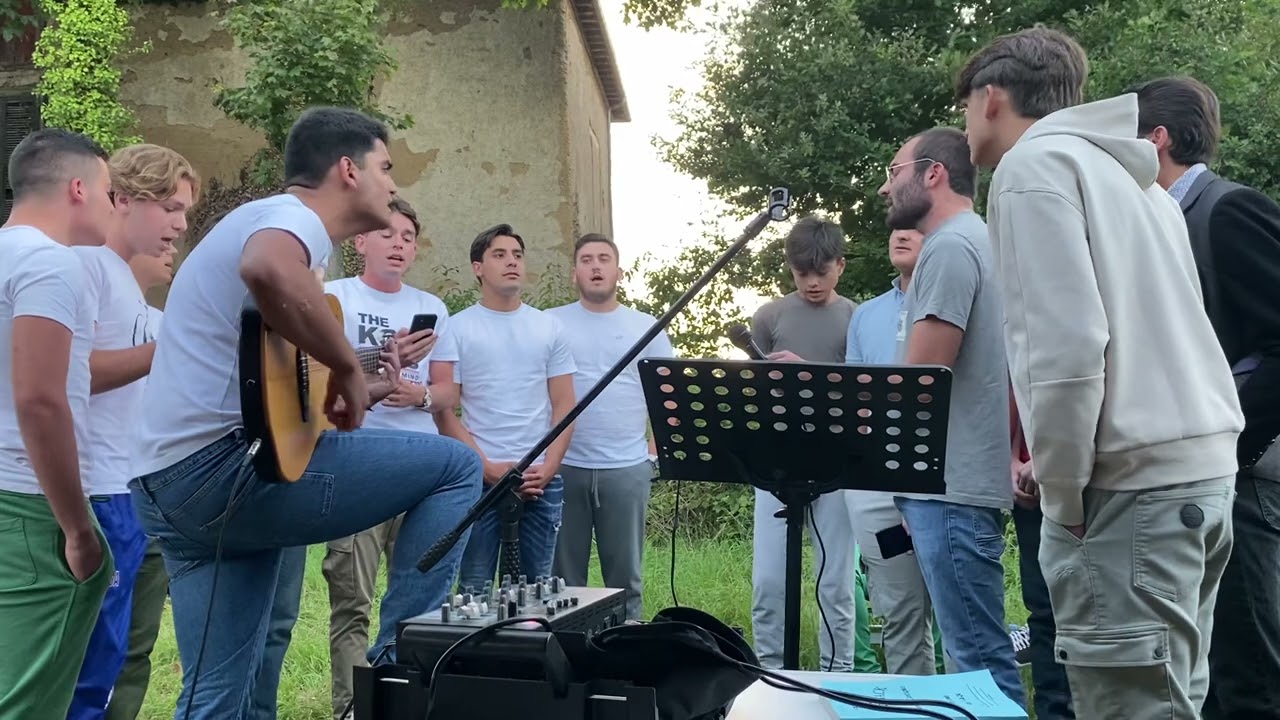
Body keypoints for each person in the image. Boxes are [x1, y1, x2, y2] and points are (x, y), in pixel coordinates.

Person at [127, 106, 483, 719]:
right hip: (225, 474)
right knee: (455, 466)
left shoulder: (264, 226)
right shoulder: (291, 219)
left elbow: (261, 387)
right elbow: (266, 268)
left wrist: (349, 392)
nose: (393, 185)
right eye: (385, 166)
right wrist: (347, 366)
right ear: (347, 169)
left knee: (217, 692)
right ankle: (401, 672)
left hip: (168, 487)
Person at [961, 27, 1242, 717]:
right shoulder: (1136, 181)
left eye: (964, 104)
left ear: (992, 98)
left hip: (1129, 496)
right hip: (1199, 478)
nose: (963, 122)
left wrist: (1063, 493)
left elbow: (1067, 352)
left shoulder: (1031, 172)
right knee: (1174, 700)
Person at [1130, 75, 1280, 719]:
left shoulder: (1227, 209)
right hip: (1191, 485)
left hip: (1238, 478)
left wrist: (1230, 448)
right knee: (1204, 666)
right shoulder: (1159, 223)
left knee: (1250, 665)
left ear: (1156, 139)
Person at [875, 126, 1024, 705]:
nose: (887, 189)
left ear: (932, 173)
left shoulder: (951, 245)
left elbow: (921, 383)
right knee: (977, 655)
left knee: (977, 663)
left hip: (951, 489)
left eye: (894, 172)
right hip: (955, 487)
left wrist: (823, 397)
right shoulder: (976, 239)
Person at [68, 143, 199, 720]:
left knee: (115, 657)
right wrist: (161, 351)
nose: (180, 225)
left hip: (132, 490)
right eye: (169, 206)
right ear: (122, 199)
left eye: (186, 213)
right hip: (94, 492)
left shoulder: (130, 290)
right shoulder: (86, 266)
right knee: (84, 666)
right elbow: (70, 375)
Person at [0, 128, 117, 717]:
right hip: (28, 504)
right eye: (109, 191)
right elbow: (41, 400)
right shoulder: (52, 264)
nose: (113, 206)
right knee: (26, 699)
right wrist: (76, 528)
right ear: (78, 188)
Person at [321, 197, 450, 719]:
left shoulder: (434, 307)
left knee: (416, 602)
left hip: (419, 464)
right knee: (352, 599)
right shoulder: (333, 298)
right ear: (360, 242)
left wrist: (415, 396)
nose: (399, 245)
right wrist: (378, 368)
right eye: (388, 234)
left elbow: (446, 394)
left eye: (408, 238)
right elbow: (313, 375)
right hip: (355, 461)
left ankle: (404, 703)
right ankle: (353, 708)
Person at [747, 215, 873, 672]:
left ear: (840, 266)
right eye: (803, 273)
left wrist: (809, 375)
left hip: (837, 465)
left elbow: (866, 394)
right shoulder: (769, 316)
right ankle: (769, 677)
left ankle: (836, 679)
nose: (813, 282)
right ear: (790, 268)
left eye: (822, 272)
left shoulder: (858, 317)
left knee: (836, 582)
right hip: (775, 464)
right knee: (768, 582)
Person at [432, 223, 576, 591]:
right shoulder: (458, 328)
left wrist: (549, 467)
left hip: (539, 480)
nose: (511, 262)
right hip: (480, 478)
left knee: (535, 591)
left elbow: (565, 404)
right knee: (474, 589)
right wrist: (484, 466)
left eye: (517, 255)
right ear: (477, 267)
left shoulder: (549, 328)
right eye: (499, 255)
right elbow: (445, 409)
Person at [547, 233, 672, 622]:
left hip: (626, 468)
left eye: (604, 259)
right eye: (586, 259)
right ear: (574, 273)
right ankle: (567, 659)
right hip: (564, 468)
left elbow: (666, 396)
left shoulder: (647, 326)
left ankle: (629, 658)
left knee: (626, 579)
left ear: (618, 271)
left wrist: (652, 453)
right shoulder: (551, 323)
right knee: (563, 583)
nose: (596, 266)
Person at [845, 228, 947, 677]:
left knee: (960, 617)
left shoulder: (958, 303)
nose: (901, 233)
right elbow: (855, 396)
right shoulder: (865, 315)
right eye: (897, 226)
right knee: (901, 615)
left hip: (942, 480)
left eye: (917, 226)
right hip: (875, 487)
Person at [105, 245, 178, 720]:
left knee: (137, 643)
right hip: (104, 494)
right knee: (94, 642)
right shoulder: (95, 308)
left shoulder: (166, 321)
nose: (174, 245)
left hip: (153, 497)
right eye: (165, 238)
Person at [1008, 401, 1075, 719]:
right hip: (1028, 479)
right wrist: (1011, 456)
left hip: (1086, 473)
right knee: (1044, 611)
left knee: (1083, 611)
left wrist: (1050, 455)